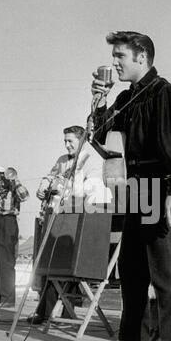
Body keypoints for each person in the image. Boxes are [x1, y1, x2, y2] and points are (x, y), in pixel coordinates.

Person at [91, 31, 171, 341]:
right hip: (133, 186)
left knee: (167, 271)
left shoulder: (164, 93)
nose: (115, 62)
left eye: (120, 56)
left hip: (158, 185)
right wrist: (98, 102)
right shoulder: (126, 97)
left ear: (142, 57)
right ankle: (132, 337)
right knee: (133, 268)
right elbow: (103, 139)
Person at [28, 125, 112, 324]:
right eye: (64, 141)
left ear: (81, 140)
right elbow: (51, 177)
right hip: (59, 215)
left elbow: (92, 189)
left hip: (78, 215)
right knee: (50, 264)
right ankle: (45, 311)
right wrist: (44, 187)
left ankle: (67, 312)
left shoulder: (93, 160)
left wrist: (67, 187)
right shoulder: (62, 160)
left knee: (69, 263)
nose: (66, 145)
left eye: (70, 141)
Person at [0, 166, 29, 308]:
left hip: (9, 220)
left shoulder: (13, 185)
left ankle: (7, 300)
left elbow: (25, 196)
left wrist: (14, 181)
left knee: (6, 261)